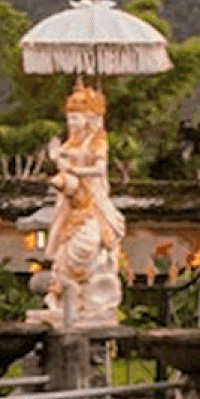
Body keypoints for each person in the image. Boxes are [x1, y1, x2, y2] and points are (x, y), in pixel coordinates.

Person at [37, 85, 127, 329]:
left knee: (91, 242)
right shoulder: (70, 142)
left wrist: (76, 170)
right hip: (70, 198)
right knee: (63, 243)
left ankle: (90, 295)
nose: (72, 123)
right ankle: (61, 292)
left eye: (76, 118)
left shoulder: (97, 140)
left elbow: (100, 168)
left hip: (93, 196)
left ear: (88, 118)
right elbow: (62, 165)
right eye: (69, 118)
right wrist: (58, 160)